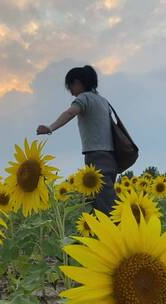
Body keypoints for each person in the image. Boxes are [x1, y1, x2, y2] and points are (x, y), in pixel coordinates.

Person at [36, 65, 118, 215]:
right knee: (99, 202)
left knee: (107, 207)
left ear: (78, 82)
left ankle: (122, 234)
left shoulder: (84, 98)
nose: (71, 91)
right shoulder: (103, 101)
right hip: (111, 157)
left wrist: (50, 128)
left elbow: (70, 113)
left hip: (97, 156)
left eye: (70, 86)